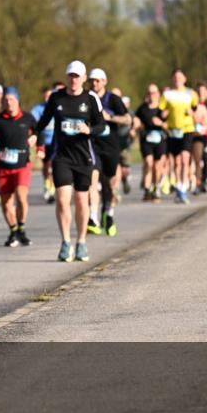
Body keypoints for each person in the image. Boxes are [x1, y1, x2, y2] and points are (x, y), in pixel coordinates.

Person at [34, 60, 104, 263]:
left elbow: (101, 126)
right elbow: (43, 122)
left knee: (81, 201)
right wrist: (36, 139)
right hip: (62, 156)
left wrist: (89, 130)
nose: (73, 79)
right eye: (71, 76)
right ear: (67, 77)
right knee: (63, 200)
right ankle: (65, 242)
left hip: (83, 157)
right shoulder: (57, 97)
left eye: (77, 76)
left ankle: (81, 242)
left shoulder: (90, 98)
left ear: (84, 78)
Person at [0, 86, 38, 247]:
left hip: (22, 164)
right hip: (3, 167)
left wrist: (36, 141)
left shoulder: (28, 118)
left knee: (21, 198)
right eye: (6, 100)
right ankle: (13, 231)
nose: (9, 102)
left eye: (12, 99)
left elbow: (39, 132)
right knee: (6, 202)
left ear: (17, 100)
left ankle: (21, 227)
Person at [87, 68, 130, 236]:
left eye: (98, 81)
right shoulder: (86, 99)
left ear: (104, 81)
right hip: (92, 145)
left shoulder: (113, 99)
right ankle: (93, 218)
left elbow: (127, 119)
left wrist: (110, 118)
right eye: (92, 81)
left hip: (111, 146)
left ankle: (109, 214)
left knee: (111, 185)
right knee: (92, 181)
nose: (94, 84)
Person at [158, 70, 199, 204]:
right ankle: (178, 186)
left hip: (187, 129)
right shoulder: (167, 94)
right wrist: (163, 115)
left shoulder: (191, 94)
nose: (177, 79)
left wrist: (191, 113)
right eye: (175, 77)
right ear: (172, 79)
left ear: (185, 79)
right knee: (176, 162)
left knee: (184, 158)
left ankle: (182, 188)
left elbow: (196, 112)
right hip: (172, 130)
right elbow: (160, 112)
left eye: (179, 77)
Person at [31, 82, 64, 204]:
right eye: (45, 97)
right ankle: (47, 183)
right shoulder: (38, 109)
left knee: (53, 164)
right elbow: (33, 121)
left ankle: (52, 186)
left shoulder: (58, 106)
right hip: (43, 141)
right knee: (46, 165)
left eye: (49, 96)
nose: (47, 99)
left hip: (56, 141)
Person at [133, 84, 166, 202]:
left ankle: (156, 188)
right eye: (149, 93)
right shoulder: (142, 108)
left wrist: (161, 123)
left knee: (157, 166)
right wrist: (134, 127)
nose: (151, 95)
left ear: (158, 94)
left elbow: (169, 126)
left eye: (154, 93)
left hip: (160, 138)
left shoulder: (162, 110)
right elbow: (136, 119)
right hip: (146, 138)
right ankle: (147, 189)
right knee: (148, 162)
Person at [191, 82, 207, 195]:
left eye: (202, 91)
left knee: (203, 157)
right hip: (192, 134)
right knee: (195, 159)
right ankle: (195, 180)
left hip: (206, 134)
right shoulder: (191, 102)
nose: (200, 93)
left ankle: (203, 179)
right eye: (198, 91)